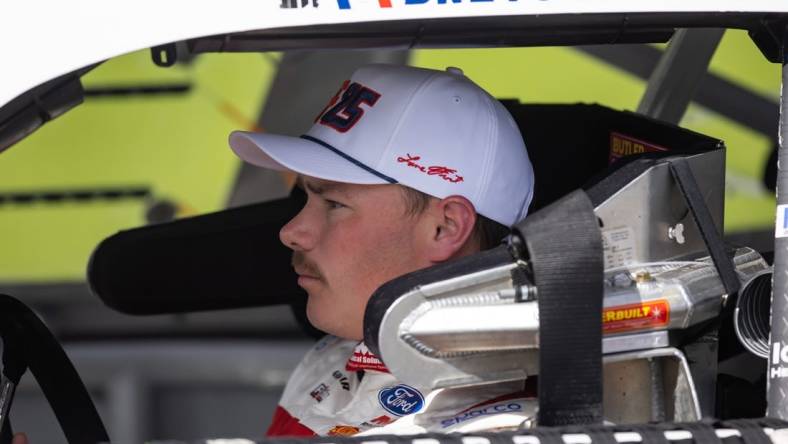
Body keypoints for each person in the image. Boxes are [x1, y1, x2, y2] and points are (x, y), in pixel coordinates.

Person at [229, 63, 536, 437]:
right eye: (306, 196)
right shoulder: (334, 360)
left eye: (334, 205)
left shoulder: (508, 427)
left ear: (445, 228)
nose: (291, 232)